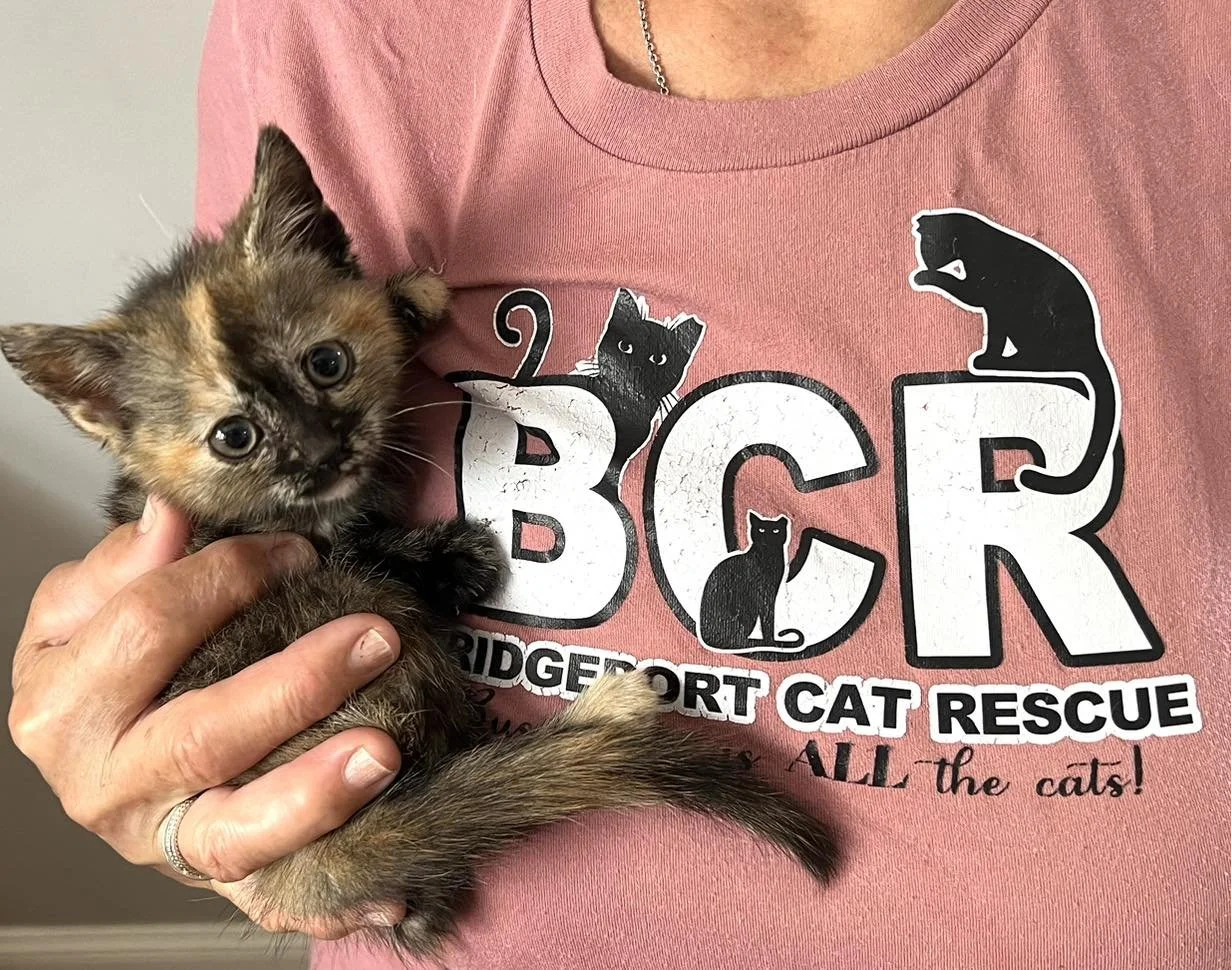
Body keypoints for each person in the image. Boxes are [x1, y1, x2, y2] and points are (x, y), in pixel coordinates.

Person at [8, 0, 1228, 966]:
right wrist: (175, 783)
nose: (308, 431)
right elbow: (226, 414)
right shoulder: (332, 26)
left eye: (331, 368)